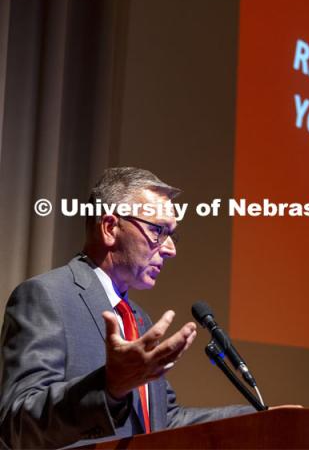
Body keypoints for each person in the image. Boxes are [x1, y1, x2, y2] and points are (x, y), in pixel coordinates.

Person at [0, 167, 253, 449]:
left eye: (172, 235)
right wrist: (108, 388)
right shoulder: (47, 297)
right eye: (158, 231)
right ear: (110, 228)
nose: (170, 249)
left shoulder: (138, 318)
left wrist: (257, 418)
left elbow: (163, 422)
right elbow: (17, 424)